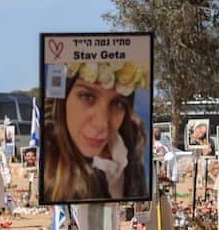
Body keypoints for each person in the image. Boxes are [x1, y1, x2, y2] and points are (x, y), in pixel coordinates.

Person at [41, 62, 149, 202]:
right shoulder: (49, 171)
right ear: (63, 100)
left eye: (117, 103)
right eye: (87, 96)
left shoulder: (133, 146)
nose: (102, 124)